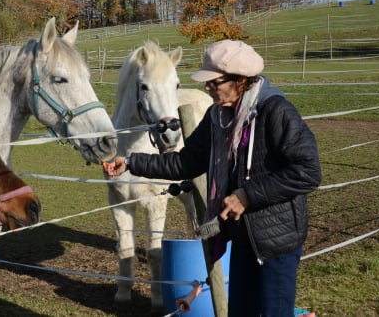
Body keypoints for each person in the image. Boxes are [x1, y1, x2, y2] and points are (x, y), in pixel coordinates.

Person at [103, 39, 321, 317]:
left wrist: (248, 195)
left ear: (240, 80)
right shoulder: (218, 115)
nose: (207, 88)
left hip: (275, 241)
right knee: (240, 311)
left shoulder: (276, 112)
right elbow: (185, 161)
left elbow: (308, 171)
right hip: (242, 238)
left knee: (274, 312)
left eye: (213, 82)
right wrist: (132, 162)